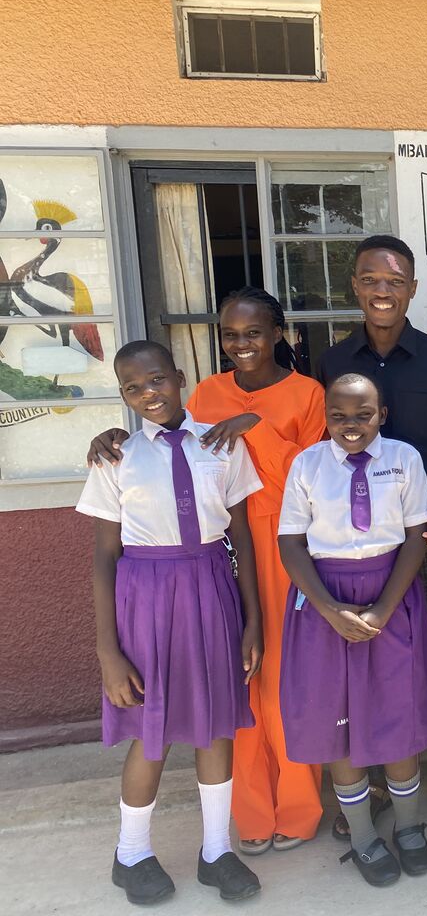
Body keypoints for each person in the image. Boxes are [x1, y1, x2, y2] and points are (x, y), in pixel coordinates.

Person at [87, 287, 329, 854]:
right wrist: (110, 435)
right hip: (222, 553)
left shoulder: (307, 392)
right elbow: (171, 441)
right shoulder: (207, 392)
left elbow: (316, 471)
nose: (241, 343)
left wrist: (254, 423)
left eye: (253, 332)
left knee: (285, 677)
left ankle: (297, 806)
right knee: (237, 681)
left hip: (291, 543)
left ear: (278, 334)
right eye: (230, 334)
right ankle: (248, 815)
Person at [77, 340, 264, 905]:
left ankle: (216, 850)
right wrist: (109, 654)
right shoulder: (116, 457)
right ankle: (130, 852)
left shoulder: (221, 445)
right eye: (134, 388)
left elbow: (242, 537)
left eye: (156, 380)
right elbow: (104, 557)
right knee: (150, 726)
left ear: (180, 378)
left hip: (210, 589)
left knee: (214, 723)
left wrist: (252, 620)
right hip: (146, 597)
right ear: (123, 397)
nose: (148, 394)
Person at [320, 235, 427, 835]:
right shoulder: (334, 362)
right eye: (370, 279)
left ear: (413, 288)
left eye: (394, 281)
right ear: (355, 287)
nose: (381, 291)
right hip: (357, 546)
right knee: (367, 657)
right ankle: (382, 777)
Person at [277, 373, 427, 886]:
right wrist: (328, 610)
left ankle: (410, 828)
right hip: (326, 600)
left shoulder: (405, 459)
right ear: (325, 416)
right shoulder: (306, 465)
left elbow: (415, 538)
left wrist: (385, 609)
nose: (352, 425)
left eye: (363, 415)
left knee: (398, 713)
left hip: (391, 592)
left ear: (382, 415)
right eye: (340, 416)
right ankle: (365, 836)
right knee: (338, 720)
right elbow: (290, 544)